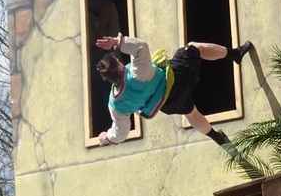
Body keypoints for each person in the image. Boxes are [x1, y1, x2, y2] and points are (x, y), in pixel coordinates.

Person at [94, 33, 253, 146]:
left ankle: (217, 137)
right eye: (117, 59)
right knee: (193, 47)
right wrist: (117, 41)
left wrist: (107, 137)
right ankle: (235, 54)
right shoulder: (137, 73)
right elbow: (141, 47)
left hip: (168, 103)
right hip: (177, 79)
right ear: (119, 65)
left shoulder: (116, 104)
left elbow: (121, 132)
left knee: (192, 113)